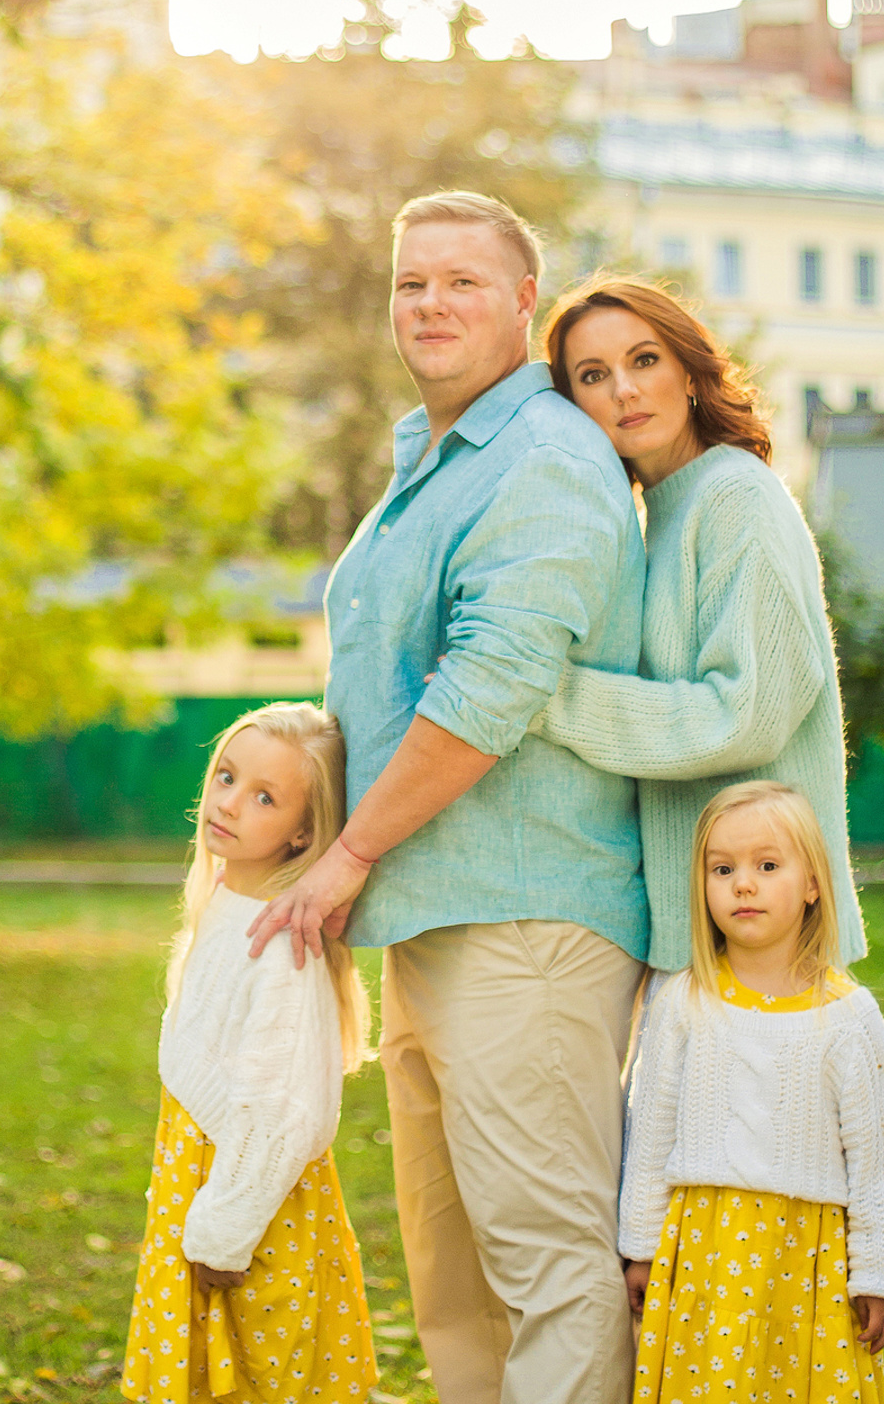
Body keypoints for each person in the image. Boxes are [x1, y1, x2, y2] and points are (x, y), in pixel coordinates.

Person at [249, 192, 649, 1404]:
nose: (431, 304)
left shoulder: (543, 460)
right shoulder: (435, 459)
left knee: (547, 1267)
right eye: (412, 282)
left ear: (525, 304)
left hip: (526, 921)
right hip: (434, 916)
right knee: (452, 1274)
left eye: (463, 282)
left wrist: (348, 853)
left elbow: (490, 688)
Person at [533, 274, 866, 977]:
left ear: (689, 373)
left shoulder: (735, 498)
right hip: (703, 942)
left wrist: (541, 693)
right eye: (594, 375)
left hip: (770, 951)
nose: (624, 389)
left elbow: (746, 716)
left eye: (645, 360)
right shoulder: (661, 516)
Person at [621, 780, 884, 1404]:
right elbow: (650, 1132)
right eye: (722, 868)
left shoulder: (848, 1017)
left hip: (809, 1262)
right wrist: (641, 1248)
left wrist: (881, 1271)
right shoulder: (683, 1003)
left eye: (767, 866)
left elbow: (878, 1157)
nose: (743, 884)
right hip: (704, 1257)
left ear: (813, 883)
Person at [121, 702, 377, 1404]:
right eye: (227, 777)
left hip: (248, 1203)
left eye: (264, 797)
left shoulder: (280, 945)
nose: (229, 803)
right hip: (201, 1177)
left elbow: (281, 1106)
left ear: (302, 832)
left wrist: (224, 1228)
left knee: (260, 1372)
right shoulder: (229, 905)